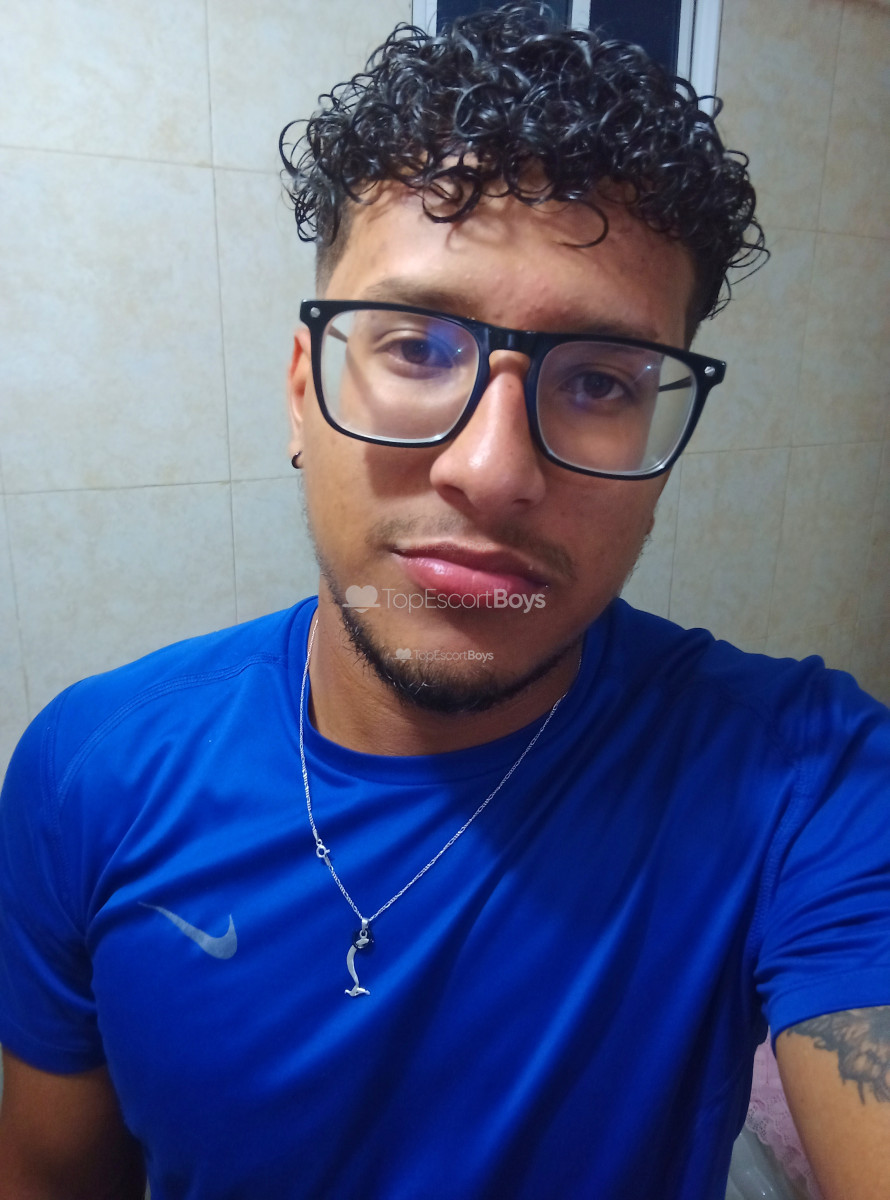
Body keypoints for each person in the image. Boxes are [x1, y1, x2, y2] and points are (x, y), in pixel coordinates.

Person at [0, 5, 887, 1198]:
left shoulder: (805, 781)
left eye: (598, 382)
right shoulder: (92, 772)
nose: (491, 470)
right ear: (303, 392)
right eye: (416, 347)